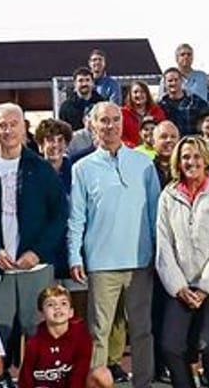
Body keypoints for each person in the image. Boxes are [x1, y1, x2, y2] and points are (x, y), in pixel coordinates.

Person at [0, 103, 69, 385]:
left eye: (13, 124)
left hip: (36, 269)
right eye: (2, 126)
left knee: (38, 331)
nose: (7, 131)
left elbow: (59, 217)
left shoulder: (41, 169)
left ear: (24, 128)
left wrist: (37, 252)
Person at [67, 102, 160, 387]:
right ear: (92, 125)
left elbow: (156, 213)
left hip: (140, 261)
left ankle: (143, 384)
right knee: (99, 332)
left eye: (115, 119)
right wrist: (74, 256)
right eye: (104, 120)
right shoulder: (82, 168)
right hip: (101, 263)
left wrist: (159, 254)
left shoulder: (144, 163)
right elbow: (76, 216)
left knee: (142, 330)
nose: (111, 126)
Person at [148, 135, 209, 388]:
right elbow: (164, 245)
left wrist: (204, 288)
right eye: (185, 157)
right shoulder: (169, 195)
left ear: (207, 159)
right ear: (178, 162)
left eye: (196, 156)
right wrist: (179, 287)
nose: (191, 162)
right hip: (182, 283)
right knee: (171, 346)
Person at [21, 285, 95, 388]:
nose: (57, 307)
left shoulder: (82, 337)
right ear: (42, 314)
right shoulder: (34, 343)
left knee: (101, 374)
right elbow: (26, 377)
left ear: (71, 312)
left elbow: (80, 372)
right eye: (50, 304)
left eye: (63, 303)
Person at [160, 68, 209, 135]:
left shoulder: (196, 102)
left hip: (193, 139)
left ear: (181, 81)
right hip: (171, 140)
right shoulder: (161, 106)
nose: (173, 83)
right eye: (170, 81)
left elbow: (208, 120)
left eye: (176, 80)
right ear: (165, 84)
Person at [120, 82, 165, 148]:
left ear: (147, 94)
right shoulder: (123, 113)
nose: (139, 95)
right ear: (130, 95)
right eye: (135, 92)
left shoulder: (157, 112)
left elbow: (163, 132)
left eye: (142, 92)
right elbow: (120, 136)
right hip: (131, 150)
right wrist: (134, 148)